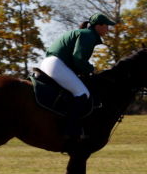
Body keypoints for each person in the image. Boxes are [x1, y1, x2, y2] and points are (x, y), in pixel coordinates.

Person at [39, 13, 116, 141]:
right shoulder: (88, 35)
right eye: (107, 26)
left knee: (74, 90)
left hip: (51, 63)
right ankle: (71, 130)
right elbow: (78, 59)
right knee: (82, 93)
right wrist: (91, 69)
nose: (108, 29)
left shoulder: (85, 33)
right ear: (99, 26)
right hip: (57, 64)